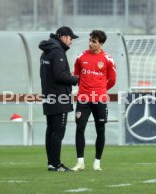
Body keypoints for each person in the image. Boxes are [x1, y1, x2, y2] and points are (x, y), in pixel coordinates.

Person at [71, 30, 116, 171]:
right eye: (90, 40)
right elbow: (77, 77)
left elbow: (112, 80)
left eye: (94, 41)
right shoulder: (80, 57)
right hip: (83, 99)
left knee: (100, 129)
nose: (90, 43)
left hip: (100, 99)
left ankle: (97, 162)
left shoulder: (108, 60)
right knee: (80, 128)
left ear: (101, 43)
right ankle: (80, 162)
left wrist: (101, 90)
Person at [39, 26, 79, 172]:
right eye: (70, 38)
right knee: (58, 132)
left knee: (50, 130)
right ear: (63, 37)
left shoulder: (47, 50)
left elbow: (48, 75)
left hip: (49, 96)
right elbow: (60, 75)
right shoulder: (57, 52)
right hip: (59, 98)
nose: (72, 41)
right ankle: (56, 164)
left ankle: (51, 163)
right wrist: (75, 79)